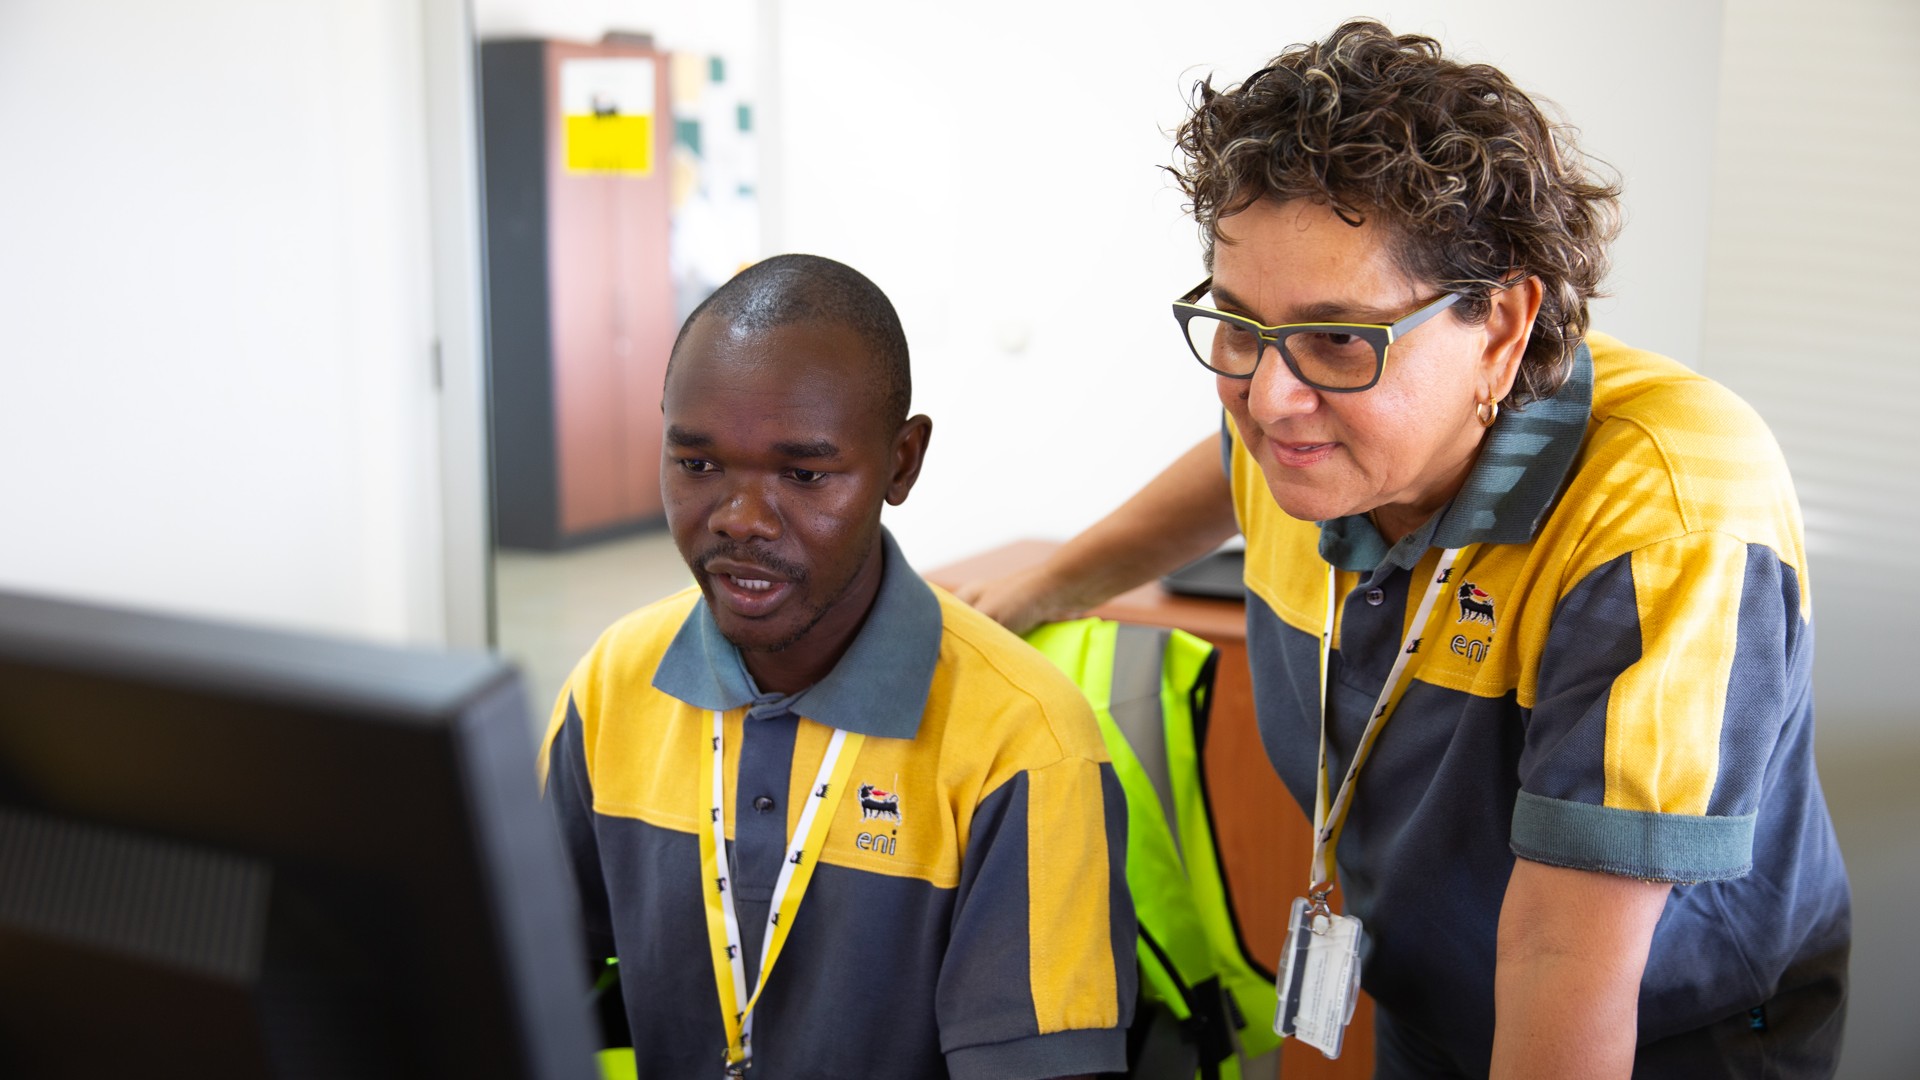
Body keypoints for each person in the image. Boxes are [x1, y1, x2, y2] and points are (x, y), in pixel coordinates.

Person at [957, 21, 1849, 1079]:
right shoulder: (1305, 426)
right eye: (1240, 326)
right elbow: (1230, 462)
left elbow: (1569, 957)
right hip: (1435, 996)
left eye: (1340, 338)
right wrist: (1052, 583)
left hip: (1660, 1034)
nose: (1271, 400)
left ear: (1504, 326)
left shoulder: (1666, 510)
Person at [539, 254, 1134, 1079]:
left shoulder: (1023, 742)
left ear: (901, 463)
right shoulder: (615, 681)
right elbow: (519, 973)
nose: (740, 520)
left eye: (805, 474)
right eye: (698, 464)